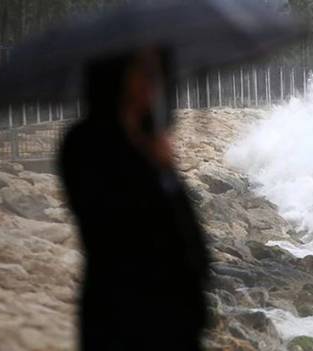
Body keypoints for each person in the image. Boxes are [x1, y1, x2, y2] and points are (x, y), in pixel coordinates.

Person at [58, 48, 210, 351]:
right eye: (144, 73)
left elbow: (184, 230)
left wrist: (165, 168)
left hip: (175, 318)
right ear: (116, 76)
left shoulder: (148, 138)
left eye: (157, 75)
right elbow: (115, 227)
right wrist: (151, 165)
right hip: (124, 316)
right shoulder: (85, 143)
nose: (153, 85)